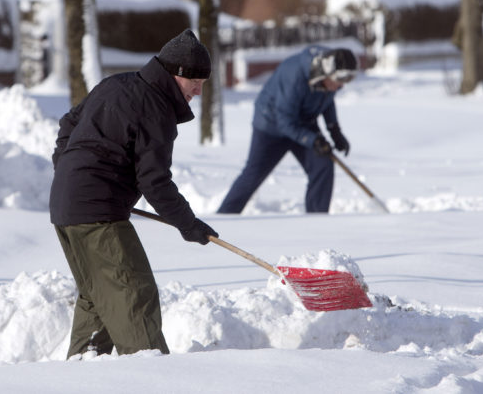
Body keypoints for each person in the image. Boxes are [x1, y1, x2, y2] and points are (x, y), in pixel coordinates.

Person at [50, 29, 219, 359]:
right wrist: (188, 224)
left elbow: (68, 125)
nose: (198, 90)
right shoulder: (156, 109)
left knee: (98, 298)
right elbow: (155, 182)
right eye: (194, 81)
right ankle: (152, 377)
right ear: (174, 74)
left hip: (66, 205)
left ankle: (83, 373)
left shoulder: (117, 84)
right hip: (97, 213)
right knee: (134, 292)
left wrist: (70, 171)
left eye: (204, 82)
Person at [217, 45, 357, 214]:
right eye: (339, 81)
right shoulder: (295, 75)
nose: (340, 86)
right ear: (327, 72)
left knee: (323, 165)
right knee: (253, 174)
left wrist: (334, 130)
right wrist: (313, 140)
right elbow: (285, 123)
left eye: (346, 81)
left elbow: (327, 100)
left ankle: (318, 221)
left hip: (302, 122)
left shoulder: (330, 77)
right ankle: (225, 216)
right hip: (271, 125)